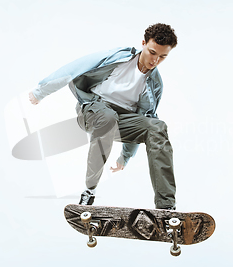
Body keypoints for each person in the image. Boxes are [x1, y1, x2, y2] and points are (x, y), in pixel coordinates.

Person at [29, 23, 178, 210]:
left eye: (163, 57)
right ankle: (89, 191)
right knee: (108, 117)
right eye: (152, 52)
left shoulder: (154, 84)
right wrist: (40, 92)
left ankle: (166, 207)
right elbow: (74, 68)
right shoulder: (117, 57)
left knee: (158, 126)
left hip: (122, 120)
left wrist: (125, 157)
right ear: (143, 43)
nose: (155, 60)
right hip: (93, 109)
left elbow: (144, 117)